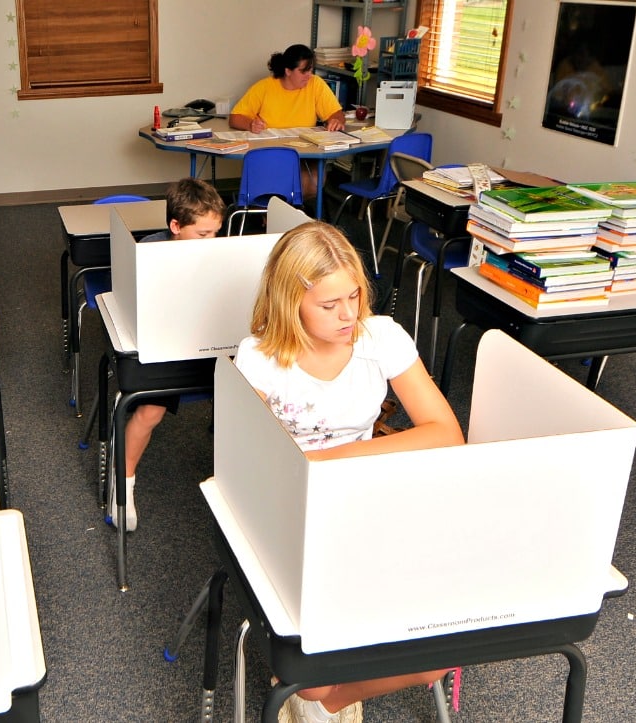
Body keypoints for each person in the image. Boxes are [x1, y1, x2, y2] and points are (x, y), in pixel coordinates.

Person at [234, 221, 463, 723]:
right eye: (329, 304)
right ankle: (321, 698)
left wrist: (323, 462)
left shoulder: (380, 337)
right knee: (312, 686)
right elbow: (258, 467)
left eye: (355, 297)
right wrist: (326, 469)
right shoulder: (259, 357)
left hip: (370, 497)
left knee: (438, 657)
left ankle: (334, 700)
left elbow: (446, 433)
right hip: (296, 510)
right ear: (291, 300)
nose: (349, 315)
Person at [110, 177, 226, 531]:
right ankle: (124, 484)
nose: (212, 242)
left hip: (206, 340)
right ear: (175, 227)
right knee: (150, 410)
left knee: (257, 395)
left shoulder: (218, 254)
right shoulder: (149, 253)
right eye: (202, 234)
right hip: (163, 343)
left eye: (216, 233)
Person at [230, 44, 346, 199]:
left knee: (314, 181)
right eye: (303, 71)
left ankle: (284, 209)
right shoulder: (264, 87)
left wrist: (336, 120)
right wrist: (250, 124)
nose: (308, 75)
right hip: (270, 154)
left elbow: (336, 113)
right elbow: (235, 117)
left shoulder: (316, 84)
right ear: (288, 70)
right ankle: (276, 209)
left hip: (305, 155)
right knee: (275, 180)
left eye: (310, 70)